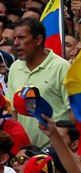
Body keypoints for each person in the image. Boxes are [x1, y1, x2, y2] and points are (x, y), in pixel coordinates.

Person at [6, 19, 71, 147]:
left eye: (21, 38)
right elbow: (14, 112)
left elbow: (73, 113)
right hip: (25, 153)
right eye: (15, 38)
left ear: (38, 40)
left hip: (55, 151)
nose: (16, 43)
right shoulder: (14, 68)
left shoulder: (62, 67)